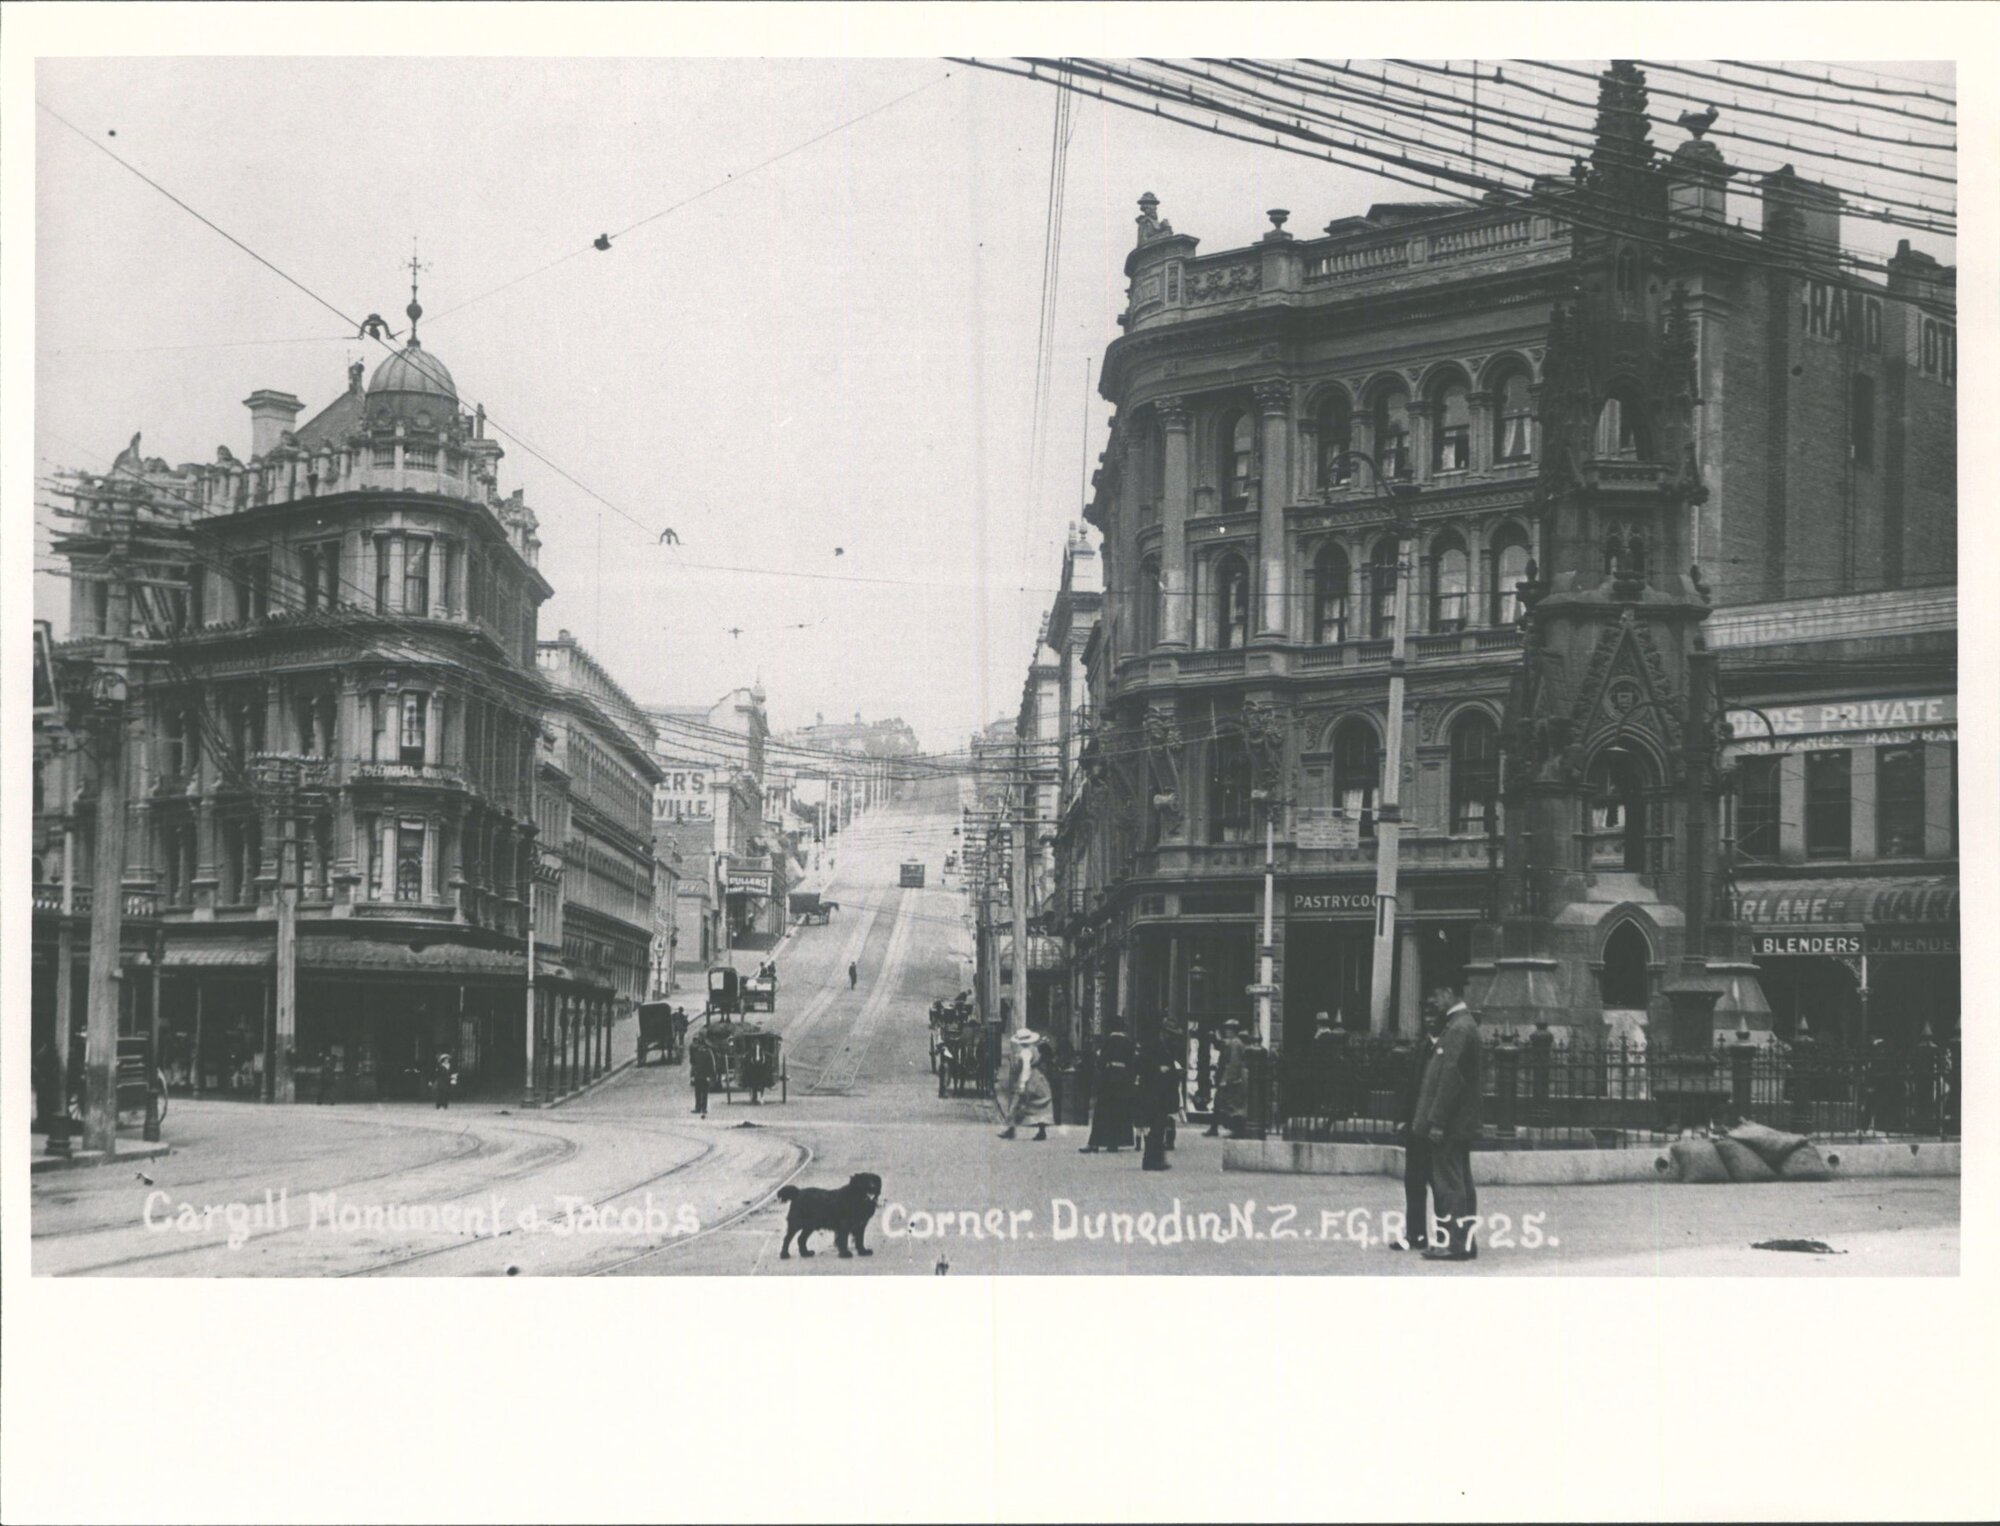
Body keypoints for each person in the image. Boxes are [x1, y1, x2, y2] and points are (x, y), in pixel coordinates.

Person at [1412, 989, 1484, 1262]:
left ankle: (1455, 1244)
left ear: (1447, 994)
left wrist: (1437, 1121)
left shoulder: (1457, 1029)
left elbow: (1449, 1079)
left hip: (1450, 1124)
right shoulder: (1464, 1025)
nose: (1434, 1004)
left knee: (1449, 1184)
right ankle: (1464, 1241)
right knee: (1461, 1181)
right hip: (1460, 1122)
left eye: (1437, 997)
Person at [1392, 997, 1446, 1251]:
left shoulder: (1446, 1046)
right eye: (1426, 1015)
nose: (1428, 1020)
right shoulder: (1422, 1047)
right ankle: (1416, 1235)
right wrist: (1404, 1118)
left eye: (1433, 1015)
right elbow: (1411, 1086)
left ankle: (1445, 1236)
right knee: (1413, 1182)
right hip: (1416, 1127)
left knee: (1440, 1184)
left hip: (1435, 1128)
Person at [1080, 1022, 1136, 1153]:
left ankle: (1095, 1143)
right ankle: (1115, 1143)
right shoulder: (1128, 1043)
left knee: (1103, 1110)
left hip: (1109, 1078)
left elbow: (1100, 1062)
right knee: (1120, 1110)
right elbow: (1132, 1064)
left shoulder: (1108, 1041)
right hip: (1123, 1079)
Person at [1137, 1028, 1186, 1171]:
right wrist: (1160, 1070)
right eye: (1171, 1035)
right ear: (1163, 1033)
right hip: (1155, 1094)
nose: (1173, 1039)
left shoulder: (1164, 1048)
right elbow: (1144, 1067)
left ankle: (1154, 1158)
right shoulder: (1156, 1048)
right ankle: (1153, 1160)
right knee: (1156, 1127)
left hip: (1160, 1095)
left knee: (1158, 1127)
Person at [997, 1028, 1053, 1141]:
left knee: (1016, 1103)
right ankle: (1041, 1131)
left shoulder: (1025, 1052)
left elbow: (1026, 1069)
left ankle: (1011, 1129)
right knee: (1039, 1104)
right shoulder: (1034, 1049)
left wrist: (1022, 1083)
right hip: (1038, 1078)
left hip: (1029, 1079)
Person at [1205, 1021, 1248, 1137]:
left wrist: (1228, 1080)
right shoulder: (1234, 1042)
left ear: (1235, 1031)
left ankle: (1237, 1130)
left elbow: (1234, 1062)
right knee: (1223, 1103)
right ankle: (1217, 1128)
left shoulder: (1235, 1043)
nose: (1227, 1031)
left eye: (1230, 1029)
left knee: (1231, 1105)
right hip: (1231, 1075)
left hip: (1232, 1077)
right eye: (1227, 1029)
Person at [689, 1032, 716, 1117]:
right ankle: (700, 1108)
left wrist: (693, 1075)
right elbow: (693, 1064)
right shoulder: (707, 1052)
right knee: (701, 1092)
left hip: (701, 1074)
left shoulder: (704, 1052)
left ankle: (701, 1108)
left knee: (701, 1092)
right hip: (701, 1074)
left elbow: (693, 1063)